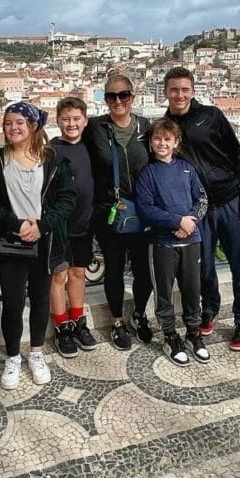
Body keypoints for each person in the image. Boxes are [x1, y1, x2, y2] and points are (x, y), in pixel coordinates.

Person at [163, 66, 240, 352]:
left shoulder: (211, 116)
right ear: (165, 92)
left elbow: (236, 152)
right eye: (174, 90)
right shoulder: (165, 128)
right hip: (198, 208)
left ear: (192, 91)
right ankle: (209, 311)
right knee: (203, 267)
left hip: (229, 199)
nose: (180, 95)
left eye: (184, 89)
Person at [0, 102, 77, 390]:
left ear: (33, 126)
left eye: (19, 123)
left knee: (40, 299)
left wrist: (42, 226)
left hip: (45, 242)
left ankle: (36, 353)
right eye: (8, 123)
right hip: (11, 241)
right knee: (12, 303)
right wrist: (16, 225)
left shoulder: (52, 160)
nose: (12, 128)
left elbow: (67, 199)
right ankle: (13, 356)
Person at [83, 73, 154, 350]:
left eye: (123, 95)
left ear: (132, 97)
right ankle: (116, 322)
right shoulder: (95, 128)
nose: (118, 101)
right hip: (109, 212)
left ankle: (139, 314)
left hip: (143, 211)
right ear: (105, 99)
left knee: (143, 270)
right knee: (113, 269)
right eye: (111, 96)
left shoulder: (146, 128)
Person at [134, 118, 210, 366]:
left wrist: (191, 222)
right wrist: (177, 221)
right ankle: (170, 335)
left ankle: (193, 333)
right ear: (151, 142)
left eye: (167, 139)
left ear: (176, 142)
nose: (162, 143)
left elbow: (201, 199)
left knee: (192, 290)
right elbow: (146, 208)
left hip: (191, 240)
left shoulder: (187, 169)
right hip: (163, 243)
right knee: (164, 293)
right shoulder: (148, 173)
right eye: (157, 138)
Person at [49, 96, 98, 358]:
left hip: (84, 222)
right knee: (59, 276)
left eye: (77, 119)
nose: (71, 124)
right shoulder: (51, 150)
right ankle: (62, 326)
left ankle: (78, 320)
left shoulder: (90, 148)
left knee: (78, 273)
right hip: (59, 226)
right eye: (66, 119)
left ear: (85, 121)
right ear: (58, 121)